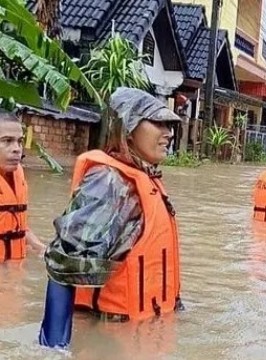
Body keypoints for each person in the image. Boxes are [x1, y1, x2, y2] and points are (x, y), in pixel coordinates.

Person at [39, 87, 184, 349]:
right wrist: (54, 349)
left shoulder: (141, 181)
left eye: (170, 125)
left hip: (142, 336)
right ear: (128, 128)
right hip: (108, 341)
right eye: (158, 123)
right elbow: (65, 267)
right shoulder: (109, 183)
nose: (169, 133)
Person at [0, 110, 45, 261]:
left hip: (15, 270)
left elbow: (18, 229)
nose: (17, 148)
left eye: (19, 141)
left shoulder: (17, 175)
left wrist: (41, 248)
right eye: (7, 141)